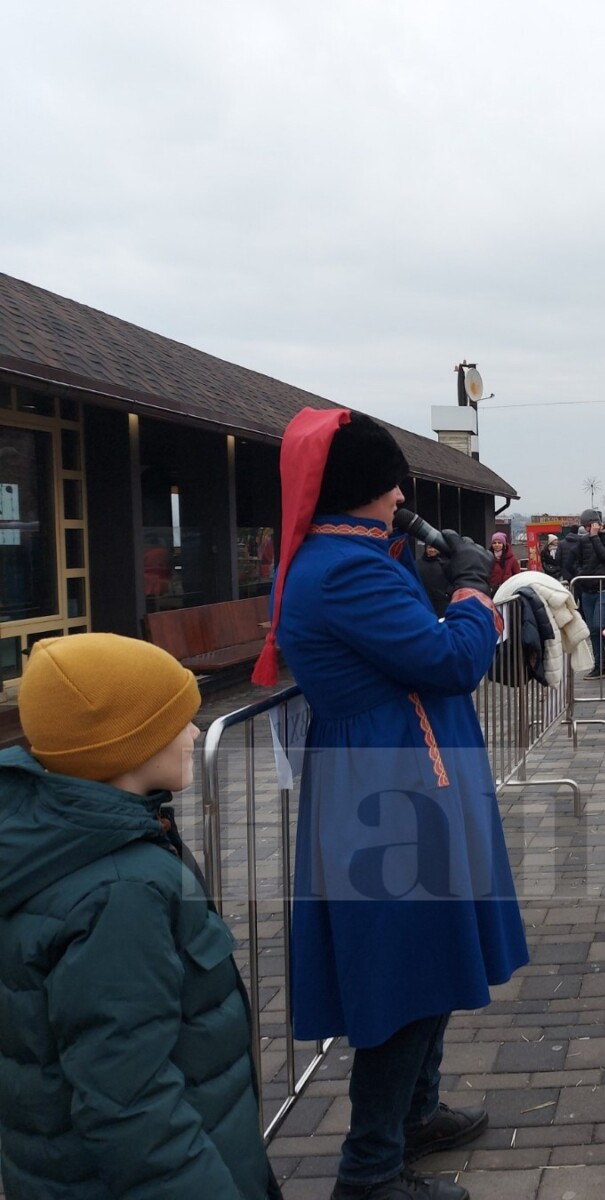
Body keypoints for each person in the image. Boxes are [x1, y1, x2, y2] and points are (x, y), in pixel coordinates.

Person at [254, 409, 529, 1200]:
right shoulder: (348, 568)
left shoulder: (340, 556)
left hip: (395, 770)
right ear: (377, 486)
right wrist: (476, 592)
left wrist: (431, 570)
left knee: (428, 956)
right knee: (406, 973)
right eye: (396, 481)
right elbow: (449, 661)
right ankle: (370, 1169)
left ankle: (415, 1113)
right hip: (398, 784)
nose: (404, 494)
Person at [0, 635, 281, 1200]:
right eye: (180, 721)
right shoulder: (118, 892)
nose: (199, 732)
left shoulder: (77, 846)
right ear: (127, 746)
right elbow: (133, 1108)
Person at [560, 509, 605, 679]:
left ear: (597, 524)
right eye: (586, 527)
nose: (587, 530)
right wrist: (580, 574)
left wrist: (595, 537)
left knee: (600, 625)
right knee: (593, 631)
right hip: (588, 590)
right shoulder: (582, 541)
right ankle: (599, 666)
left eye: (590, 526)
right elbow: (569, 562)